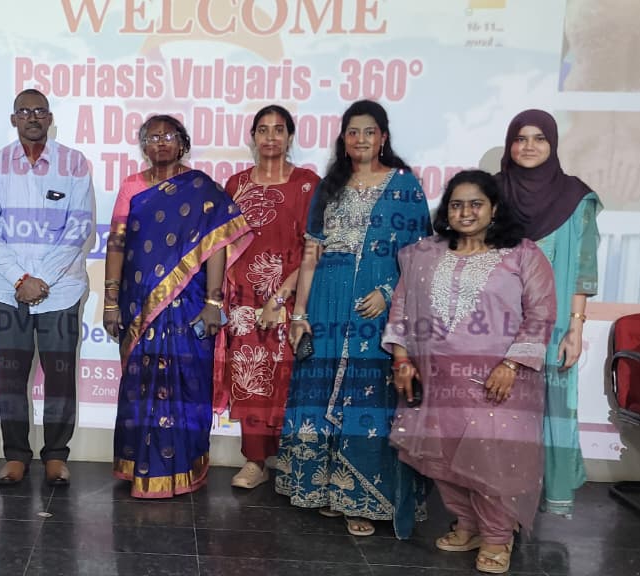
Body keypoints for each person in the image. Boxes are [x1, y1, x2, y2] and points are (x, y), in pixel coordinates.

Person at [385, 170, 556, 574]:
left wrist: (511, 365)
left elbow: (541, 314)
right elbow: (401, 308)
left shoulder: (523, 254)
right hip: (437, 378)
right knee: (441, 456)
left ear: (494, 209)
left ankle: (497, 536)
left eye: (475, 204)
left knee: (492, 459)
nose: (465, 212)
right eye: (456, 205)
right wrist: (402, 359)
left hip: (500, 379)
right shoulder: (424, 254)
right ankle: (468, 525)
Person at [276, 99, 431, 538]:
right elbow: (311, 254)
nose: (360, 139)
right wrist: (299, 314)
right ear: (343, 140)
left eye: (369, 131)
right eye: (352, 132)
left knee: (366, 397)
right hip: (326, 302)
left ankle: (361, 497)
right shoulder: (329, 186)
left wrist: (388, 292)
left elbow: (420, 256)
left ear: (383, 137)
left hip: (372, 309)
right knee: (321, 390)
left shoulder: (404, 186)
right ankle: (326, 489)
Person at [102, 114, 252, 499]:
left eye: (169, 136)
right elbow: (116, 245)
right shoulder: (132, 186)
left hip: (190, 306)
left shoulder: (201, 188)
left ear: (182, 143)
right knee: (140, 385)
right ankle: (140, 466)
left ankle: (184, 468)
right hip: (140, 304)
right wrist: (111, 301)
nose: (161, 142)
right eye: (152, 137)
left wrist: (213, 302)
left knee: (187, 385)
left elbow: (217, 245)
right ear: (143, 146)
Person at [0, 89, 94, 486]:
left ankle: (56, 455)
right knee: (11, 377)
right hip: (7, 291)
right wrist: (20, 279)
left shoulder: (73, 163)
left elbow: (79, 226)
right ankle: (15, 455)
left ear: (49, 118)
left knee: (60, 376)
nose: (32, 117)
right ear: (14, 119)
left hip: (60, 291)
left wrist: (41, 279)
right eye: (24, 111)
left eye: (39, 111)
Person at [496, 109, 602, 517]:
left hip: (553, 328)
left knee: (549, 409)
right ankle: (495, 501)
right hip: (496, 325)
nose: (529, 146)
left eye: (539, 138)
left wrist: (575, 329)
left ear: (553, 144)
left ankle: (537, 497)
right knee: (496, 410)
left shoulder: (575, 198)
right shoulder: (492, 192)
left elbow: (583, 269)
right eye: (520, 138)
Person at [214, 104, 319, 489]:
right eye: (263, 129)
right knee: (250, 379)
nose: (270, 137)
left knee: (289, 378)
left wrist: (281, 297)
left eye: (278, 129)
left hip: (293, 298)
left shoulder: (308, 184)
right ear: (253, 137)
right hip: (243, 301)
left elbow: (314, 246)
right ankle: (255, 462)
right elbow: (222, 244)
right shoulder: (236, 184)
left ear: (290, 137)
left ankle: (292, 460)